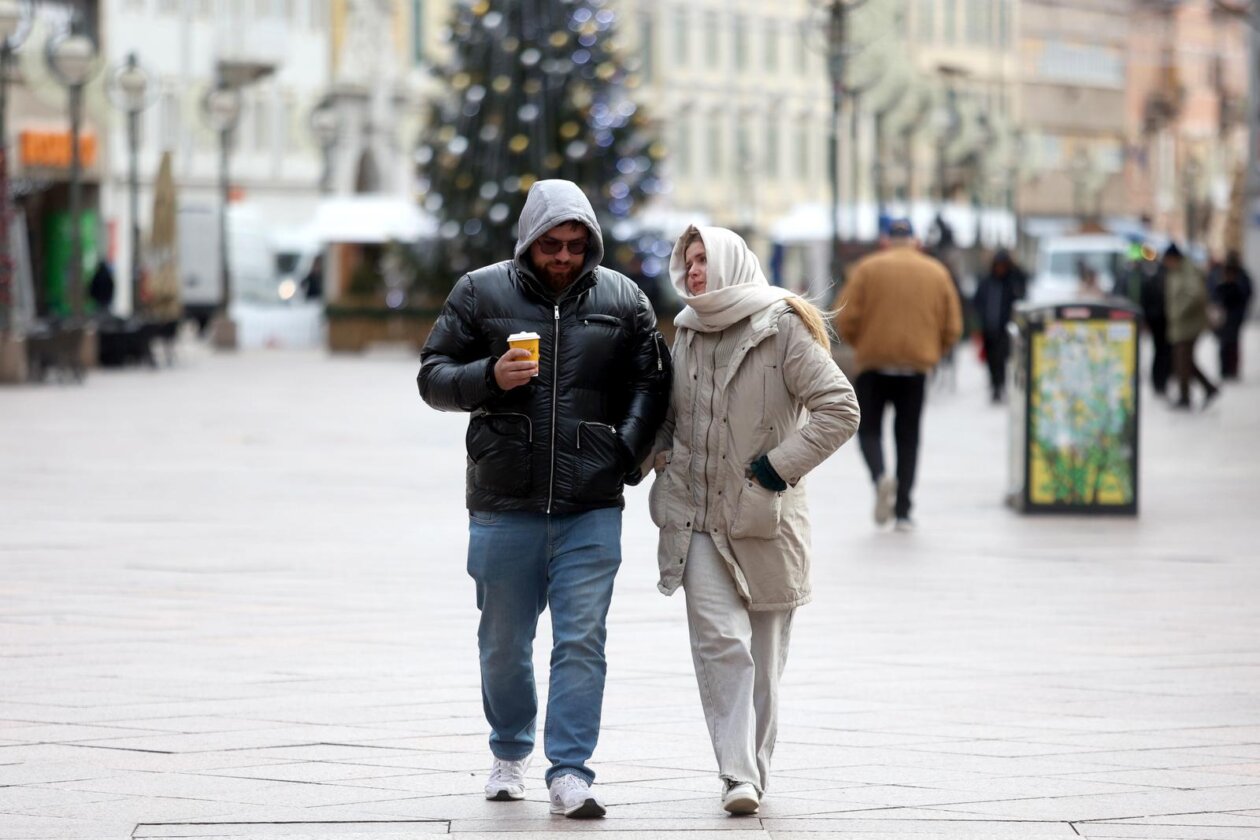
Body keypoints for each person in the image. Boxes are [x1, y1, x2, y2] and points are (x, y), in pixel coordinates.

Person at [417, 180, 671, 818]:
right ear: (529, 241)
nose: (562, 256)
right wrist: (488, 377)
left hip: (592, 503)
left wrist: (625, 449)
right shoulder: (480, 291)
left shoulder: (624, 297)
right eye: (551, 244)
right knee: (503, 641)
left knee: (582, 639)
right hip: (504, 503)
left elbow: (651, 381)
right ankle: (508, 751)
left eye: (574, 244)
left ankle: (570, 772)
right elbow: (432, 377)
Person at [648, 226, 860, 815]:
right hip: (696, 519)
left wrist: (775, 469)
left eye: (703, 260)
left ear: (730, 263)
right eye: (688, 262)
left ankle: (756, 769)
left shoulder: (781, 326)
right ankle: (736, 774)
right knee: (721, 644)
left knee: (765, 662)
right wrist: (652, 456)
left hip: (763, 518)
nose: (693, 271)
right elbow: (670, 417)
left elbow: (840, 407)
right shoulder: (685, 332)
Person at [835, 218, 962, 531]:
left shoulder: (866, 269)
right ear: (915, 241)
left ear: (886, 241)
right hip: (915, 367)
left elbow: (844, 317)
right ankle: (903, 510)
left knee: (869, 431)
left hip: (873, 364)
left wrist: (863, 343)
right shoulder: (936, 272)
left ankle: (880, 477)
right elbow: (953, 326)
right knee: (908, 438)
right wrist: (932, 350)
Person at [1163, 243, 1219, 409]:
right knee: (1185, 361)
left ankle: (1185, 396)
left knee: (1182, 361)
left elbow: (1195, 294)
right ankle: (1207, 389)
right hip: (1180, 325)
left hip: (1189, 325)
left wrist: (1179, 311)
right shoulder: (1176, 271)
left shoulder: (1188, 271)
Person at [972, 249, 1026, 403]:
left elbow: (1022, 292)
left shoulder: (1012, 282)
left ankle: (1001, 385)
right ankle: (994, 386)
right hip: (988, 328)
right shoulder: (986, 282)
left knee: (1001, 359)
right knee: (991, 361)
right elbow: (977, 301)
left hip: (1004, 329)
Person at [1213, 251, 1253, 381]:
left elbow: (1246, 294)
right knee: (1225, 344)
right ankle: (1225, 370)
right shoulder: (1221, 275)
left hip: (1235, 315)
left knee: (1232, 344)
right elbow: (1215, 293)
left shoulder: (1241, 277)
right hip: (1225, 315)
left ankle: (1231, 370)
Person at [1141, 255, 1172, 396]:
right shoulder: (1162, 277)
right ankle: (1160, 383)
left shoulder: (1153, 277)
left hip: (1158, 321)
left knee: (1160, 353)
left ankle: (1159, 383)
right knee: (1163, 353)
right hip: (1161, 321)